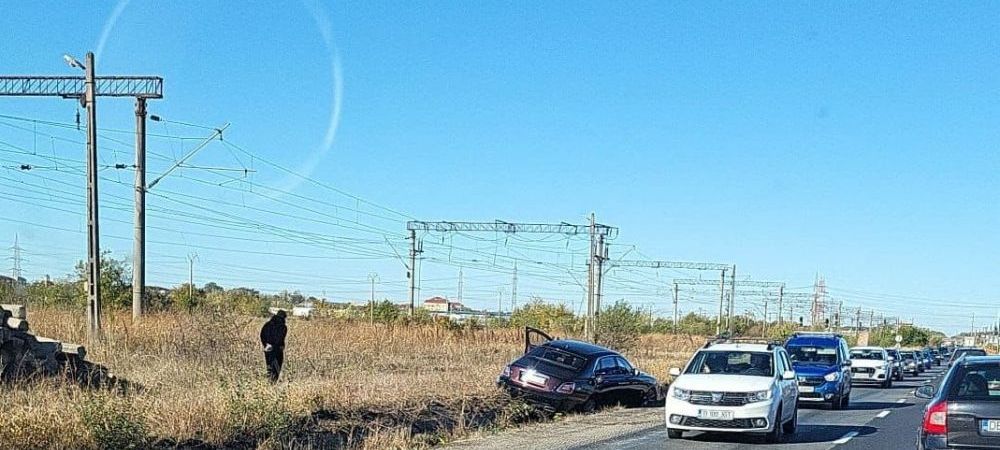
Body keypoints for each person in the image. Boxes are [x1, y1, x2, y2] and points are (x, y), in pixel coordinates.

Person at [260, 310, 287, 383]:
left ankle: (269, 381)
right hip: (277, 349)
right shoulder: (283, 326)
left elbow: (262, 335)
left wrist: (266, 344)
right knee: (277, 368)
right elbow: (280, 338)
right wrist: (280, 346)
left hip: (268, 348)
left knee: (269, 366)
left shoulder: (267, 324)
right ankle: (273, 383)